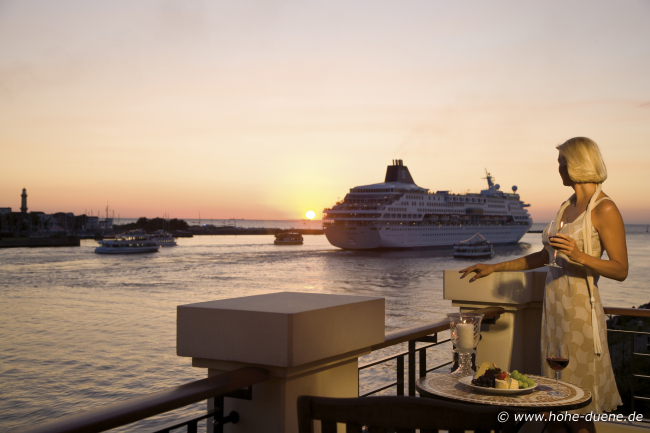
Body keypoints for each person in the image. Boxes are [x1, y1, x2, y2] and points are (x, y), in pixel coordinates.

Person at [460, 137, 626, 429]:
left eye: (562, 162)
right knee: (554, 402)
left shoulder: (604, 209)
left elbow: (620, 269)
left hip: (580, 318)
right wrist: (494, 268)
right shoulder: (566, 207)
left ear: (577, 165)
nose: (559, 168)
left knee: (578, 409)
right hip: (554, 315)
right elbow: (542, 256)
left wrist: (579, 255)